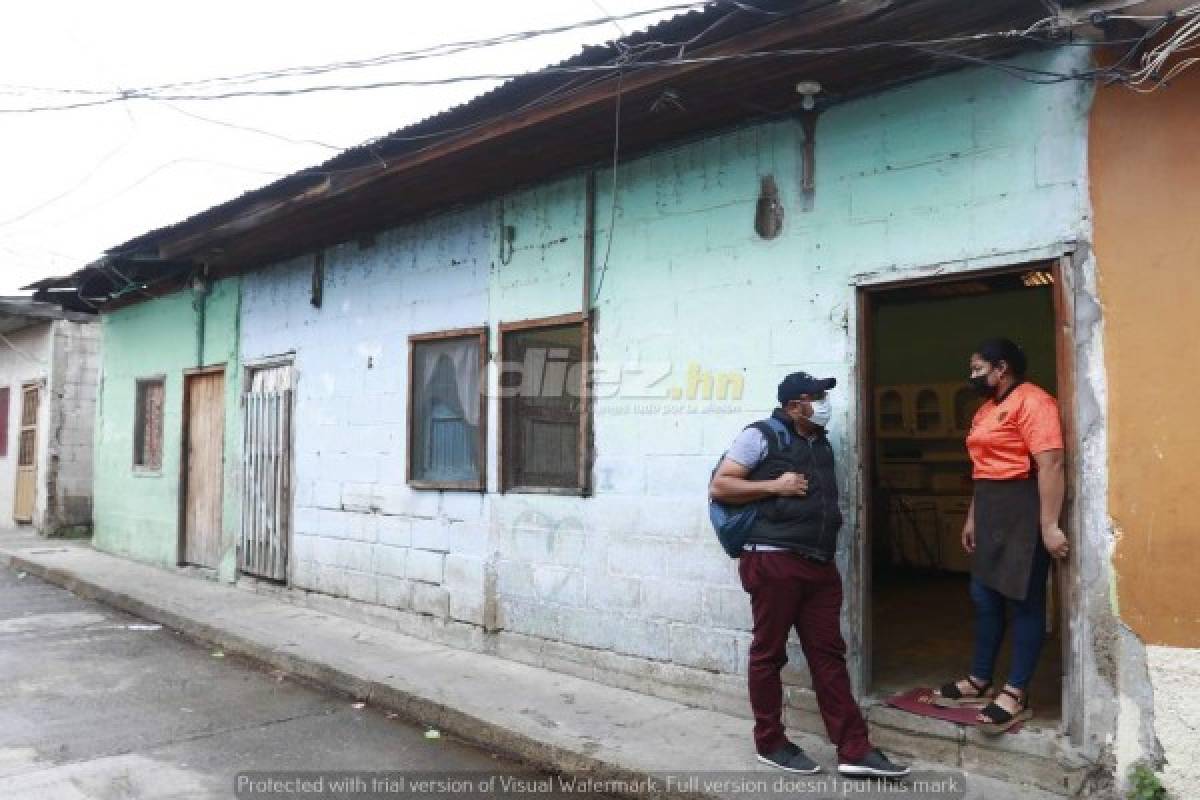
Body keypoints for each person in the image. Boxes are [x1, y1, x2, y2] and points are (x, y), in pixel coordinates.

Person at [709, 372, 910, 778]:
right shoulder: (761, 435)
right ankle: (770, 741)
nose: (823, 402)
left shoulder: (821, 444)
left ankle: (853, 748)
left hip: (818, 563)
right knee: (769, 653)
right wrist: (775, 485)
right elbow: (721, 486)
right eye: (815, 397)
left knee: (829, 655)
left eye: (823, 396)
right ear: (792, 406)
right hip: (773, 560)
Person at [931, 338, 1067, 735]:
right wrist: (974, 516)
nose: (972, 376)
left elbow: (1052, 463)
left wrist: (1049, 525)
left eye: (977, 369)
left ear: (1001, 367)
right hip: (990, 505)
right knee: (984, 596)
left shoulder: (1034, 402)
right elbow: (982, 468)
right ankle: (979, 679)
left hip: (1024, 504)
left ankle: (1016, 689)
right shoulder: (985, 410)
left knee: (1024, 599)